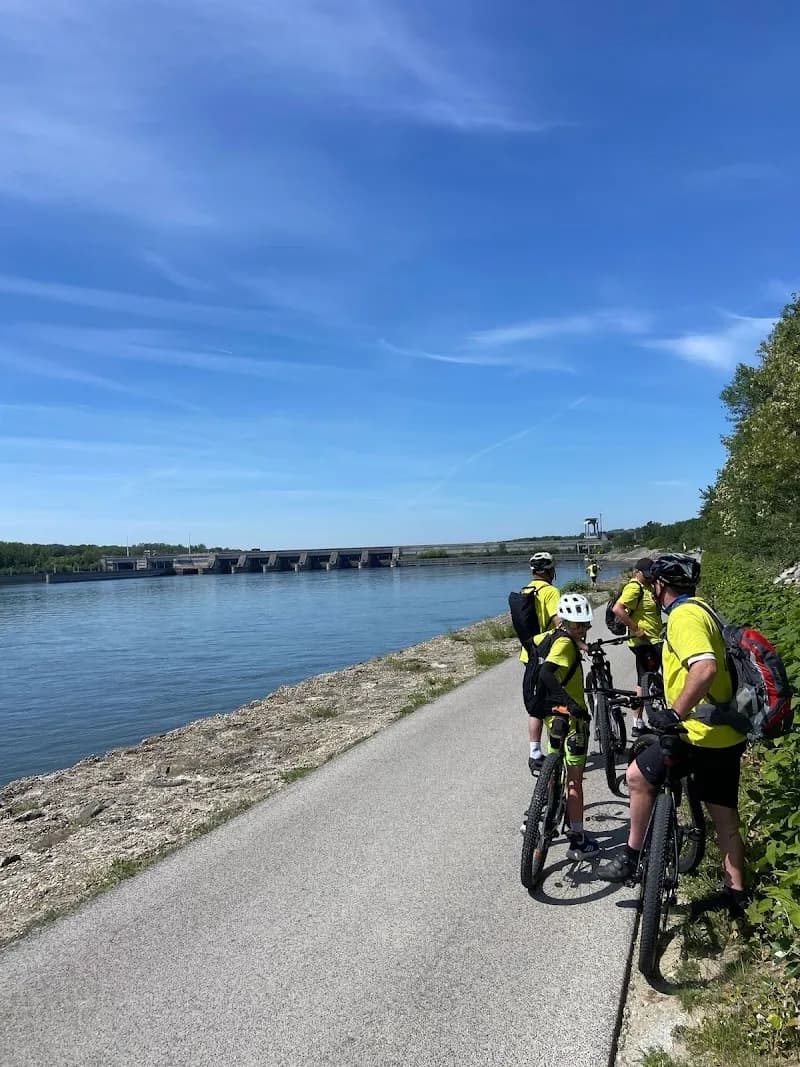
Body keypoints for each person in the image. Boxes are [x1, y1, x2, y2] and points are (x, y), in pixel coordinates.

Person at [598, 554, 748, 916]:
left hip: (696, 733)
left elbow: (705, 668)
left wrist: (675, 712)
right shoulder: (705, 610)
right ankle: (736, 898)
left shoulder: (683, 616)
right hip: (727, 731)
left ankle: (631, 856)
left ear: (660, 586)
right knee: (725, 819)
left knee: (637, 776)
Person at [529, 592, 600, 860]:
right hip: (572, 720)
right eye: (576, 624)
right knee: (574, 780)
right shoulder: (565, 646)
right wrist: (570, 703)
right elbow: (546, 672)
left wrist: (580, 644)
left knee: (553, 766)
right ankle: (578, 841)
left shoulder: (550, 636)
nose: (581, 629)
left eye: (585, 624)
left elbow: (532, 653)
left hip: (552, 715)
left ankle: (536, 814)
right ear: (565, 622)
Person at [611, 558, 663, 736]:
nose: (649, 578)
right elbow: (618, 609)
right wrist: (636, 629)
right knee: (643, 681)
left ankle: (640, 721)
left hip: (653, 639)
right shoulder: (634, 587)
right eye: (646, 575)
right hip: (643, 642)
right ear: (637, 572)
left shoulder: (648, 586)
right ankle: (637, 723)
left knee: (646, 679)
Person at [520, 552, 561, 772]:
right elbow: (558, 621)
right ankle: (556, 754)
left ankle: (535, 752)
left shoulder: (525, 590)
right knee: (555, 703)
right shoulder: (550, 592)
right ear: (549, 571)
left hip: (529, 654)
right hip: (547, 654)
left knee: (536, 704)